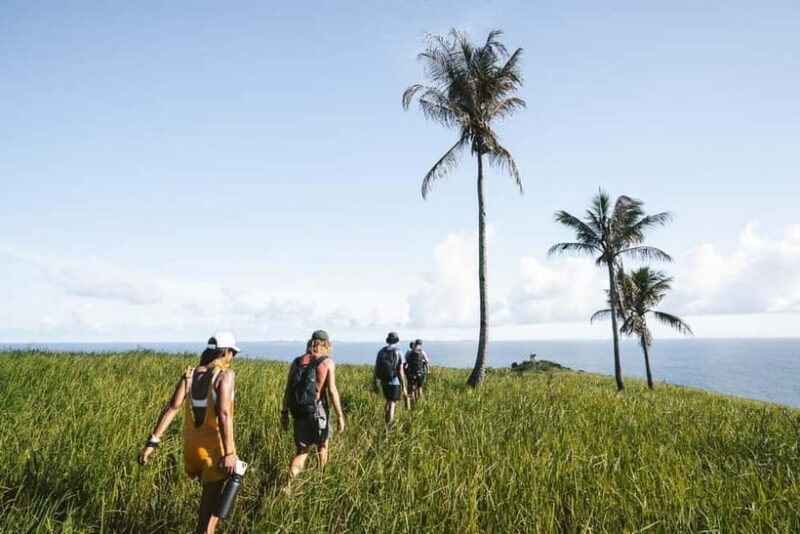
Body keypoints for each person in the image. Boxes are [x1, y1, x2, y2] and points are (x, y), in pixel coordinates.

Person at [138, 332, 241, 534]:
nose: (232, 358)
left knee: (209, 513)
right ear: (225, 352)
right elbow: (224, 414)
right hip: (214, 454)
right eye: (232, 353)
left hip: (192, 452)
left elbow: (172, 408)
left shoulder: (190, 374)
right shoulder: (225, 375)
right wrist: (230, 453)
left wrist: (151, 444)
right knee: (207, 519)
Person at [281, 329, 345, 487]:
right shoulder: (327, 362)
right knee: (322, 447)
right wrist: (340, 416)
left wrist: (284, 413)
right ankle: (320, 483)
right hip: (318, 409)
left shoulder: (296, 362)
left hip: (298, 412)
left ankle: (289, 486)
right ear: (325, 344)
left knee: (301, 452)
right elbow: (332, 391)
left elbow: (288, 390)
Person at [373, 331, 407, 425]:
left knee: (388, 401)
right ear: (397, 341)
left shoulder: (381, 351)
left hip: (384, 381)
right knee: (392, 403)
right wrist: (404, 386)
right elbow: (400, 370)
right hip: (395, 381)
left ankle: (386, 419)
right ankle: (389, 424)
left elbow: (376, 367)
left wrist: (374, 381)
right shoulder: (398, 352)